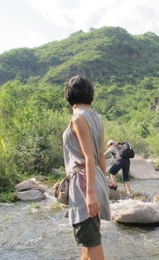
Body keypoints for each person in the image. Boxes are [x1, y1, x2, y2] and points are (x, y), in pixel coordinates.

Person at [63, 75, 111, 260]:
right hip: (95, 178)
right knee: (88, 240)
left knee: (92, 241)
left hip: (84, 184)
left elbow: (89, 157)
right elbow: (99, 156)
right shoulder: (96, 118)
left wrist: (90, 193)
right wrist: (102, 184)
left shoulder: (78, 118)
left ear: (69, 94)